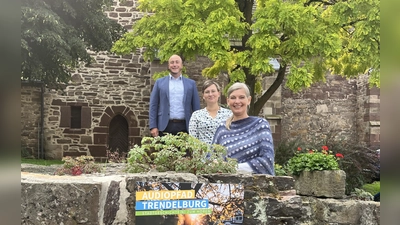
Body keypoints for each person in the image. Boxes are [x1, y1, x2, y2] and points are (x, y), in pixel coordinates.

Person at [212, 82, 275, 175]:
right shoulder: (222, 129)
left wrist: (231, 168)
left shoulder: (260, 125)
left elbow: (267, 161)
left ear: (249, 100)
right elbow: (211, 158)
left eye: (241, 97)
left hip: (257, 187)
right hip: (227, 186)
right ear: (228, 101)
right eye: (233, 98)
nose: (237, 101)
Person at [149, 54, 201, 137]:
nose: (174, 65)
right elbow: (153, 105)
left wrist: (197, 127)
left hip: (185, 127)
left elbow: (196, 107)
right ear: (169, 66)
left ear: (181, 65)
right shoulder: (159, 83)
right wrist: (153, 126)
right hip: (164, 126)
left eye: (177, 62)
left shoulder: (191, 84)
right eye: (172, 62)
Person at [189, 80, 232, 145]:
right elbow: (193, 140)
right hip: (203, 154)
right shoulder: (196, 115)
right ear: (203, 96)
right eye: (207, 92)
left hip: (223, 153)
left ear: (218, 93)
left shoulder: (229, 114)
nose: (210, 94)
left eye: (213, 91)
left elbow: (232, 136)